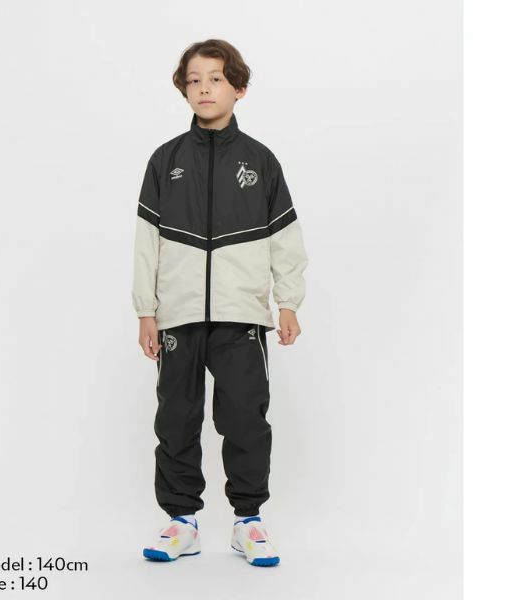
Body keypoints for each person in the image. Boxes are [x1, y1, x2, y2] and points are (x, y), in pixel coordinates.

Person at [132, 39, 308, 567]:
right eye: (194, 80)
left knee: (246, 418)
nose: (204, 88)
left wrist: (288, 302)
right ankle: (181, 522)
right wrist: (146, 310)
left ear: (239, 88)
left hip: (241, 316)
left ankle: (248, 522)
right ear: (183, 90)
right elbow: (147, 243)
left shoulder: (261, 161)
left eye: (215, 79)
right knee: (176, 419)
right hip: (178, 315)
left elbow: (285, 239)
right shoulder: (165, 161)